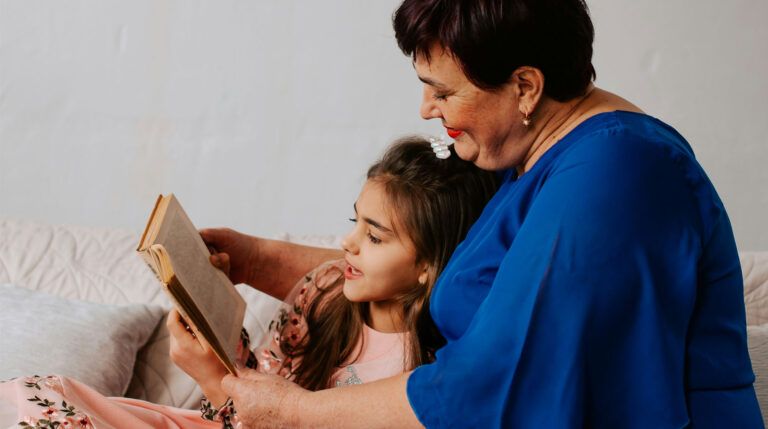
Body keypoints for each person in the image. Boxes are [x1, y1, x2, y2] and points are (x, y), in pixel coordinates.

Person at [215, 0, 765, 428]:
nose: (427, 110)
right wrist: (252, 259)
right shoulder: (531, 161)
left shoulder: (614, 174)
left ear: (525, 86)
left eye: (442, 92)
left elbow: (494, 385)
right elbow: (410, 269)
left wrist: (291, 412)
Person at [0, 137, 497, 429]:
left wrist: (211, 379)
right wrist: (214, 337)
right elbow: (257, 377)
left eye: (374, 236)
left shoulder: (429, 367)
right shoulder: (324, 291)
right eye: (355, 222)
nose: (348, 243)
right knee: (40, 397)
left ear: (429, 265)